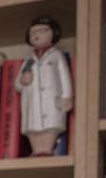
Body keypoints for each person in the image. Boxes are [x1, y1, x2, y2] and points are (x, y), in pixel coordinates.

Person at [16, 15, 73, 156]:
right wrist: (23, 81)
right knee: (33, 127)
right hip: (32, 101)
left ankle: (47, 149)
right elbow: (17, 84)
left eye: (41, 31)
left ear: (53, 33)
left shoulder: (56, 56)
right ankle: (36, 150)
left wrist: (67, 97)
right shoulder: (28, 60)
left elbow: (65, 77)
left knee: (50, 126)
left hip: (51, 99)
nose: (36, 36)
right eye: (32, 33)